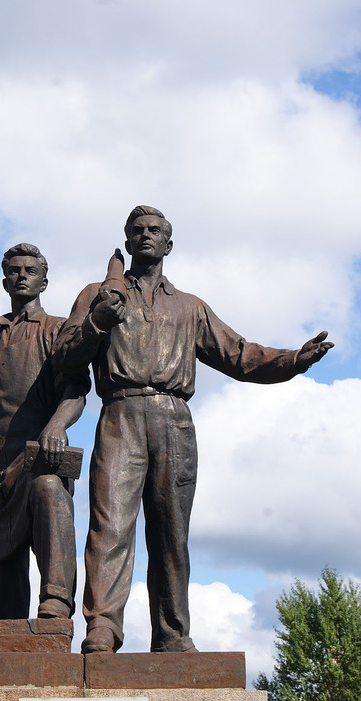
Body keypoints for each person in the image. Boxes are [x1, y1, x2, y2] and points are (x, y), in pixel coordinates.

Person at [53, 205, 334, 654]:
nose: (146, 236)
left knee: (171, 532)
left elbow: (238, 354)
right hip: (120, 415)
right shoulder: (98, 293)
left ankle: (172, 633)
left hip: (173, 419)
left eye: (155, 231)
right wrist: (97, 320)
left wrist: (293, 361)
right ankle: (102, 628)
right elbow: (64, 356)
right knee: (110, 525)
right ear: (126, 242)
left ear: (168, 244)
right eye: (137, 231)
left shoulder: (190, 306)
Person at [0, 243, 89, 620]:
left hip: (40, 458)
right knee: (3, 576)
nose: (22, 276)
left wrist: (56, 426)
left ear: (44, 280)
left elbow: (76, 391)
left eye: (30, 270)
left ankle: (56, 601)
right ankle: (7, 634)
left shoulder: (58, 331)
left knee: (49, 493)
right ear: (4, 281)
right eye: (14, 271)